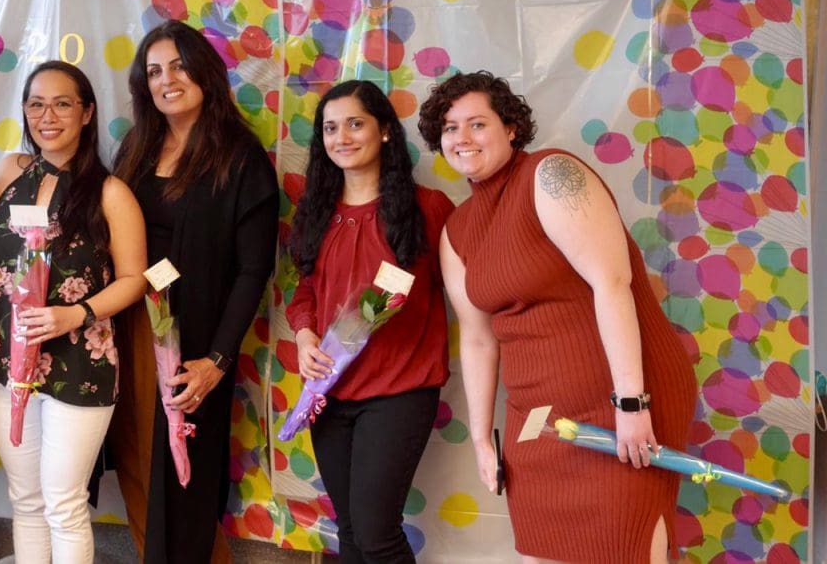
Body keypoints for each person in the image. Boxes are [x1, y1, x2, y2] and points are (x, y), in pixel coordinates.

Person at [416, 71, 697, 564]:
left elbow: (612, 283)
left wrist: (632, 404)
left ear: (511, 128)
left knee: (624, 548)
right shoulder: (457, 231)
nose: (462, 137)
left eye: (477, 124)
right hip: (538, 418)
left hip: (621, 397)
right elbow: (478, 340)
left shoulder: (550, 175)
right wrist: (481, 439)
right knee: (542, 553)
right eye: (450, 128)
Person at [0, 60, 147, 562]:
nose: (47, 116)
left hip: (79, 362)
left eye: (62, 103)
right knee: (25, 500)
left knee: (64, 503)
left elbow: (134, 279)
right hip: (8, 361)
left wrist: (77, 314)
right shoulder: (8, 173)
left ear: (87, 112)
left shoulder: (110, 193)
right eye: (36, 104)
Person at [110, 19, 279, 564]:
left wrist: (216, 361)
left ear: (204, 72)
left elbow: (253, 270)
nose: (167, 80)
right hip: (129, 328)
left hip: (196, 341)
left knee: (185, 473)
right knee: (136, 462)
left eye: (179, 66)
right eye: (154, 71)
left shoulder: (240, 156)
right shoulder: (137, 147)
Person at [286, 80, 453, 563]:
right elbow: (306, 290)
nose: (341, 137)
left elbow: (470, 292)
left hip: (399, 391)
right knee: (351, 533)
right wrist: (304, 337)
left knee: (378, 535)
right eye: (330, 128)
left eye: (355, 124)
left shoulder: (429, 209)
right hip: (329, 394)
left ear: (384, 131)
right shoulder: (315, 213)